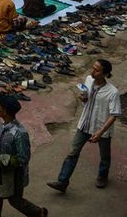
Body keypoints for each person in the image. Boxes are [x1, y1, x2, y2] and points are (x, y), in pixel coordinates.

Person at [47, 59, 122, 193]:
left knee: (104, 156)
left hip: (101, 129)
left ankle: (102, 176)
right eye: (92, 68)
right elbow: (87, 99)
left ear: (105, 74)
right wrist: (83, 99)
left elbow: (114, 115)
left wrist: (100, 132)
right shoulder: (88, 79)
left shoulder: (113, 92)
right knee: (73, 153)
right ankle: (62, 182)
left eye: (96, 70)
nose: (92, 71)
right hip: (84, 125)